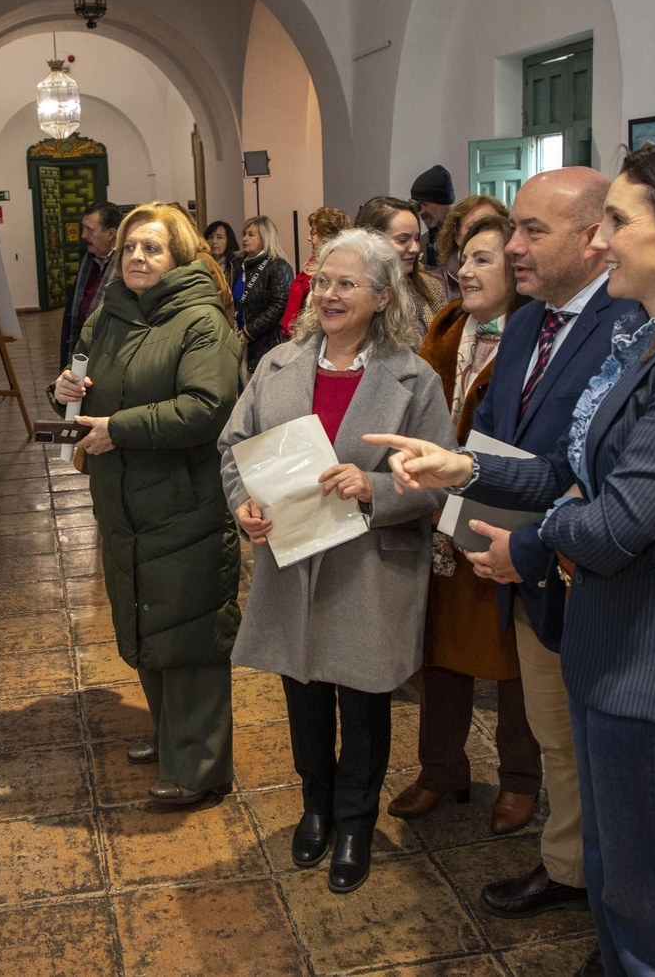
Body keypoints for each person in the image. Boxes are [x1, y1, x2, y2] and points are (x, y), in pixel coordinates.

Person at [371, 143, 655, 977]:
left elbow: (616, 522)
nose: (600, 243)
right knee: (624, 883)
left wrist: (530, 542)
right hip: (613, 644)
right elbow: (570, 472)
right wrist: (467, 468)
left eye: (619, 223)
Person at [219, 228, 455, 893]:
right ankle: (315, 807)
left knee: (363, 701)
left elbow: (440, 479)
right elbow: (235, 447)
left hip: (369, 568)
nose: (328, 293)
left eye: (346, 284)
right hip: (292, 562)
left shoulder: (414, 378)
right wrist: (243, 506)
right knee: (304, 694)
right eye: (323, 281)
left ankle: (355, 822)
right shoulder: (278, 365)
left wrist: (374, 488)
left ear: (383, 297)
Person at [449, 168, 628, 944]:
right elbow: (495, 437)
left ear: (595, 238)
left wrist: (525, 540)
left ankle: (618, 908)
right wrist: (473, 530)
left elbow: (589, 471)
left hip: (592, 575)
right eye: (512, 230)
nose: (512, 247)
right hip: (524, 570)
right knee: (557, 737)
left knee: (604, 755)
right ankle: (568, 871)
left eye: (531, 232)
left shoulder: (629, 325)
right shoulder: (527, 323)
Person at [50, 203, 244, 805]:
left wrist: (120, 429)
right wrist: (65, 389)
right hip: (122, 498)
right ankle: (170, 736)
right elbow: (79, 376)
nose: (137, 257)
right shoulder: (109, 313)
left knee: (190, 630)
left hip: (182, 499)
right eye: (132, 246)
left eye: (152, 248)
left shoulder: (200, 321)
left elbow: (207, 407)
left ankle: (202, 767)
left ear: (179, 256)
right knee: (146, 616)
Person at [389, 214, 542, 831]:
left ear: (517, 269)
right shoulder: (449, 322)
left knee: (508, 652)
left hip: (497, 505)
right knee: (440, 646)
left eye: (484, 259)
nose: (465, 271)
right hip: (432, 508)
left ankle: (520, 780)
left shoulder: (532, 337)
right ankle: (441, 768)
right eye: (463, 258)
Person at [355, 196, 446, 338]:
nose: (415, 248)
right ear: (371, 242)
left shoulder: (431, 288)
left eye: (416, 238)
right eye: (403, 240)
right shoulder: (347, 293)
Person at [59, 201, 124, 369]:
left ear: (111, 234)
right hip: (80, 347)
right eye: (84, 228)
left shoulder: (125, 266)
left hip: (108, 356)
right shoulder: (88, 260)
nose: (83, 235)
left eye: (90, 229)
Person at [237, 215, 294, 374]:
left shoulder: (278, 266)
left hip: (266, 342)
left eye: (251, 235)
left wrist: (251, 331)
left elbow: (279, 305)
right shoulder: (238, 266)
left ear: (265, 238)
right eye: (244, 234)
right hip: (239, 341)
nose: (245, 238)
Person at [282, 207, 349, 340]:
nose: (309, 238)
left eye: (313, 233)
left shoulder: (336, 269)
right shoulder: (312, 265)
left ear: (326, 236)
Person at [429, 195, 512, 302]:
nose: (482, 233)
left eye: (491, 225)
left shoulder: (518, 277)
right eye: (473, 227)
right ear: (458, 236)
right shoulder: (436, 284)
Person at [411, 164, 455, 269]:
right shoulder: (422, 242)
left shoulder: (463, 241)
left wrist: (424, 271)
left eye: (424, 204)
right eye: (417, 206)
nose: (420, 212)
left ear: (445, 204)